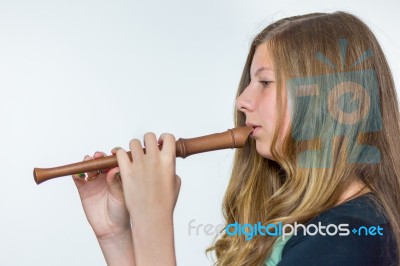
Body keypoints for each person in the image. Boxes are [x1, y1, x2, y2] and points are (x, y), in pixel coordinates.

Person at [72, 11, 400, 266]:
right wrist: (116, 236)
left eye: (265, 82)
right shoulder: (314, 226)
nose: (242, 100)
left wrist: (152, 218)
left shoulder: (352, 239)